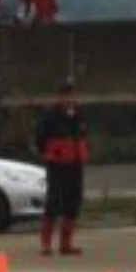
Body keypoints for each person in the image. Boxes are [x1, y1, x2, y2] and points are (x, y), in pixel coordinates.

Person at [34, 79, 88, 256]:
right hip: (57, 165)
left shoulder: (78, 113)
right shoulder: (50, 115)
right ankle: (46, 244)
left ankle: (66, 244)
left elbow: (83, 135)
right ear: (60, 97)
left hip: (75, 164)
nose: (69, 99)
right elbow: (40, 137)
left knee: (73, 202)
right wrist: (48, 154)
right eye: (66, 95)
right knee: (54, 201)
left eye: (72, 95)